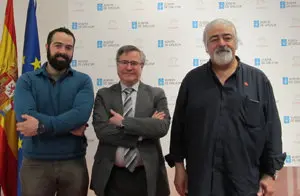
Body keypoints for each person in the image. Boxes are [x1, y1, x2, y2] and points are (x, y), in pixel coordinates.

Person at [165, 18, 286, 196]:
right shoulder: (192, 81)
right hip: (201, 180)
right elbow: (179, 128)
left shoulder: (258, 80)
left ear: (236, 42)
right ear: (206, 46)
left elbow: (272, 129)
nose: (222, 43)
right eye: (214, 39)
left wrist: (269, 173)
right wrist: (179, 167)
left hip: (244, 181)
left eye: (227, 37)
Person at [14, 27, 94, 196]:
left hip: (73, 162)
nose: (63, 51)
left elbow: (80, 115)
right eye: (58, 45)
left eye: (68, 47)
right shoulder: (26, 81)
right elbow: (25, 115)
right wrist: (66, 125)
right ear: (47, 46)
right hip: (35, 163)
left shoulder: (83, 81)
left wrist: (41, 126)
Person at [90, 45, 170, 196]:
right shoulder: (104, 95)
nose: (128, 67)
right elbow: (103, 132)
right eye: (123, 62)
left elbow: (161, 127)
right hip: (111, 175)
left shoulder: (156, 94)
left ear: (142, 66)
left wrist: (123, 123)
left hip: (146, 175)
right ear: (117, 64)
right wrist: (145, 128)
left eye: (133, 63)